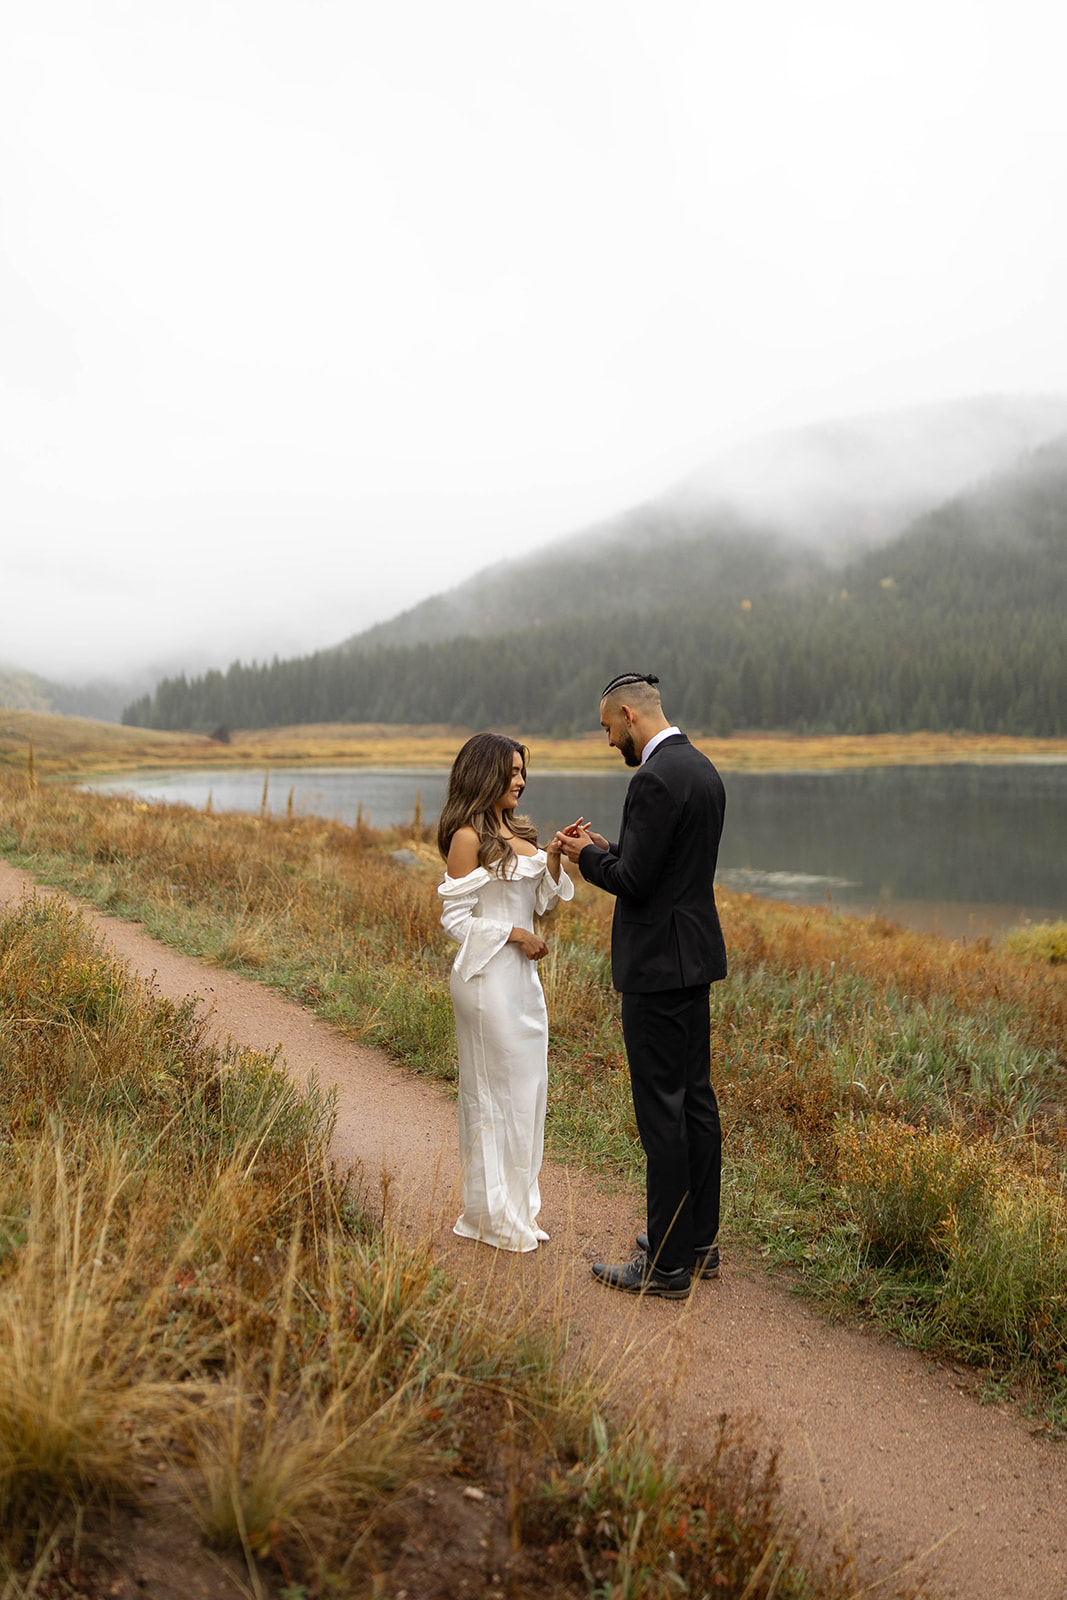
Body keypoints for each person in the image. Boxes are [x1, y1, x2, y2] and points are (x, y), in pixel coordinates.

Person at [554, 672, 727, 1298]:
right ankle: (697, 1243)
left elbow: (636, 882)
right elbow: (666, 864)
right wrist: (612, 847)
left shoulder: (652, 778)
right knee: (696, 1102)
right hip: (694, 962)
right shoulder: (702, 768)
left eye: (607, 728)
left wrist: (585, 857)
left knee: (663, 1112)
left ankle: (664, 1267)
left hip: (657, 970)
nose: (608, 741)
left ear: (628, 715)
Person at [437, 732, 573, 1252]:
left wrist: (555, 856)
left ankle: (518, 1207)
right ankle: (490, 1215)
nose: (520, 780)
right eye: (512, 771)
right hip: (485, 979)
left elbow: (542, 902)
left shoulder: (519, 834)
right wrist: (515, 934)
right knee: (491, 1094)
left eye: (522, 772)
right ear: (485, 774)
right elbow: (454, 920)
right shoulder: (467, 837)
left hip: (522, 981)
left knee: (527, 1093)